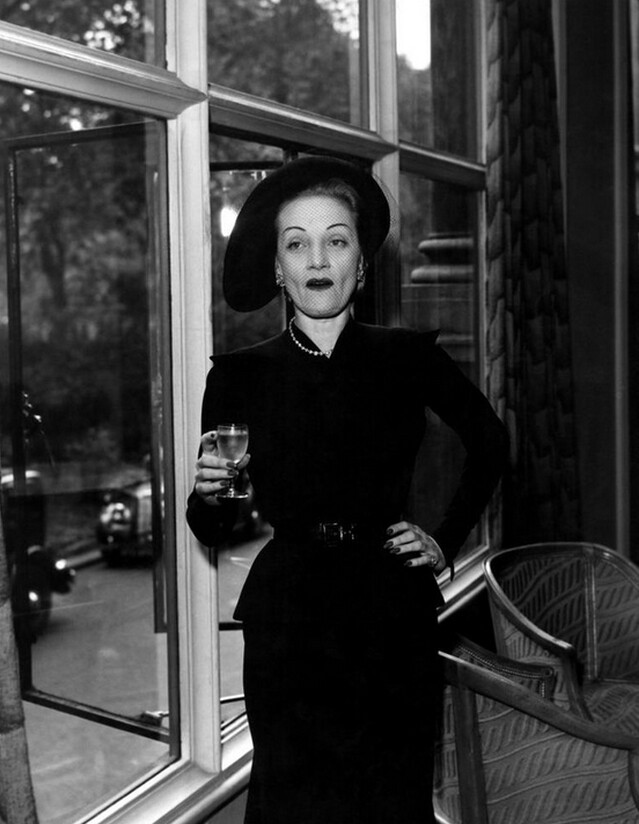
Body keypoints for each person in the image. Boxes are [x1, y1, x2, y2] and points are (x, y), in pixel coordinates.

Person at [186, 155, 508, 824]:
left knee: (391, 799)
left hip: (391, 610)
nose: (317, 259)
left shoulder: (408, 357)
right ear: (278, 268)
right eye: (296, 243)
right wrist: (209, 493)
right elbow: (213, 526)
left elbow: (491, 444)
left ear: (360, 263)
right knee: (292, 803)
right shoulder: (238, 377)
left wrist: (442, 539)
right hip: (289, 620)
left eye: (336, 240)